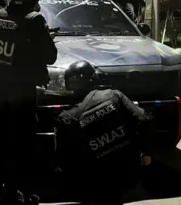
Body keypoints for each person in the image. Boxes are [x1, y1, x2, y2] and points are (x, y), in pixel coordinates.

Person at [0, 0, 57, 204]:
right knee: (21, 143)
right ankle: (18, 192)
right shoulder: (34, 20)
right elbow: (50, 56)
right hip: (21, 93)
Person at [55, 61, 154, 205]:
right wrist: (147, 153)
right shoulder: (114, 95)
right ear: (93, 78)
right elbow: (144, 120)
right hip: (126, 173)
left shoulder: (66, 118)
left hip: (93, 183)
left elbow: (62, 160)